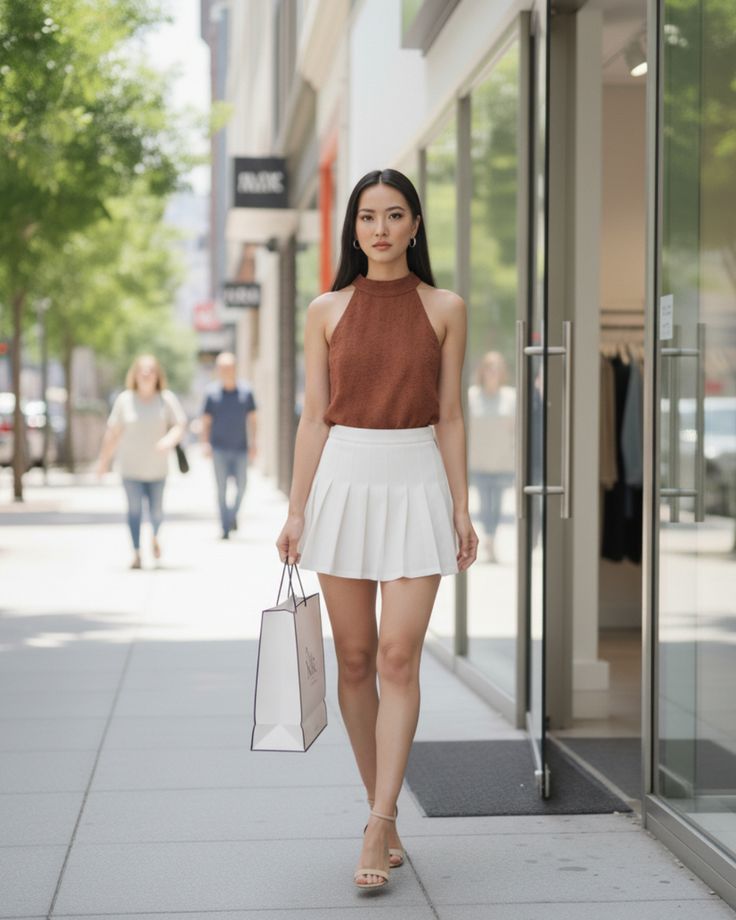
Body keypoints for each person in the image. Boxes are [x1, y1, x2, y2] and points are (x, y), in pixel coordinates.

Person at [276, 168, 478, 890]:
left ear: (416, 225)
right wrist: (296, 508)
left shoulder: (446, 307)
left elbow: (450, 415)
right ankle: (380, 808)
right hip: (343, 481)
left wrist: (461, 506)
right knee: (356, 661)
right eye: (368, 216)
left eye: (395, 215)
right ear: (353, 228)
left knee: (398, 656)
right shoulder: (325, 309)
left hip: (417, 479)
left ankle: (378, 821)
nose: (381, 228)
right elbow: (313, 417)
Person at [97, 355, 187, 569]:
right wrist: (103, 462)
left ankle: (155, 537)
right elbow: (113, 433)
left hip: (158, 469)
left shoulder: (166, 399)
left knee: (156, 511)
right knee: (134, 511)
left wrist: (168, 440)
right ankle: (137, 552)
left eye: (151, 371)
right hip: (130, 468)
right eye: (142, 371)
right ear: (135, 375)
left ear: (157, 376)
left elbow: (180, 425)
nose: (146, 374)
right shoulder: (125, 400)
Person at [200, 352, 258, 539]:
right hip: (219, 448)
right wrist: (205, 444)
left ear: (235, 368)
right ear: (218, 370)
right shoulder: (211, 393)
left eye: (229, 367)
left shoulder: (246, 392)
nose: (226, 371)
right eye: (222, 368)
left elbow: (253, 420)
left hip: (241, 448)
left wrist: (254, 443)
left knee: (242, 487)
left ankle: (232, 516)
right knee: (221, 489)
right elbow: (206, 421)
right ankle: (225, 527)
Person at [468, 351, 516, 562]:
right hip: (479, 461)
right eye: (489, 367)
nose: (493, 372)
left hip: (502, 461)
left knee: (496, 505)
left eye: (497, 368)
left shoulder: (510, 397)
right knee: (484, 504)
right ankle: (488, 538)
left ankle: (491, 539)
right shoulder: (472, 396)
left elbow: (516, 429)